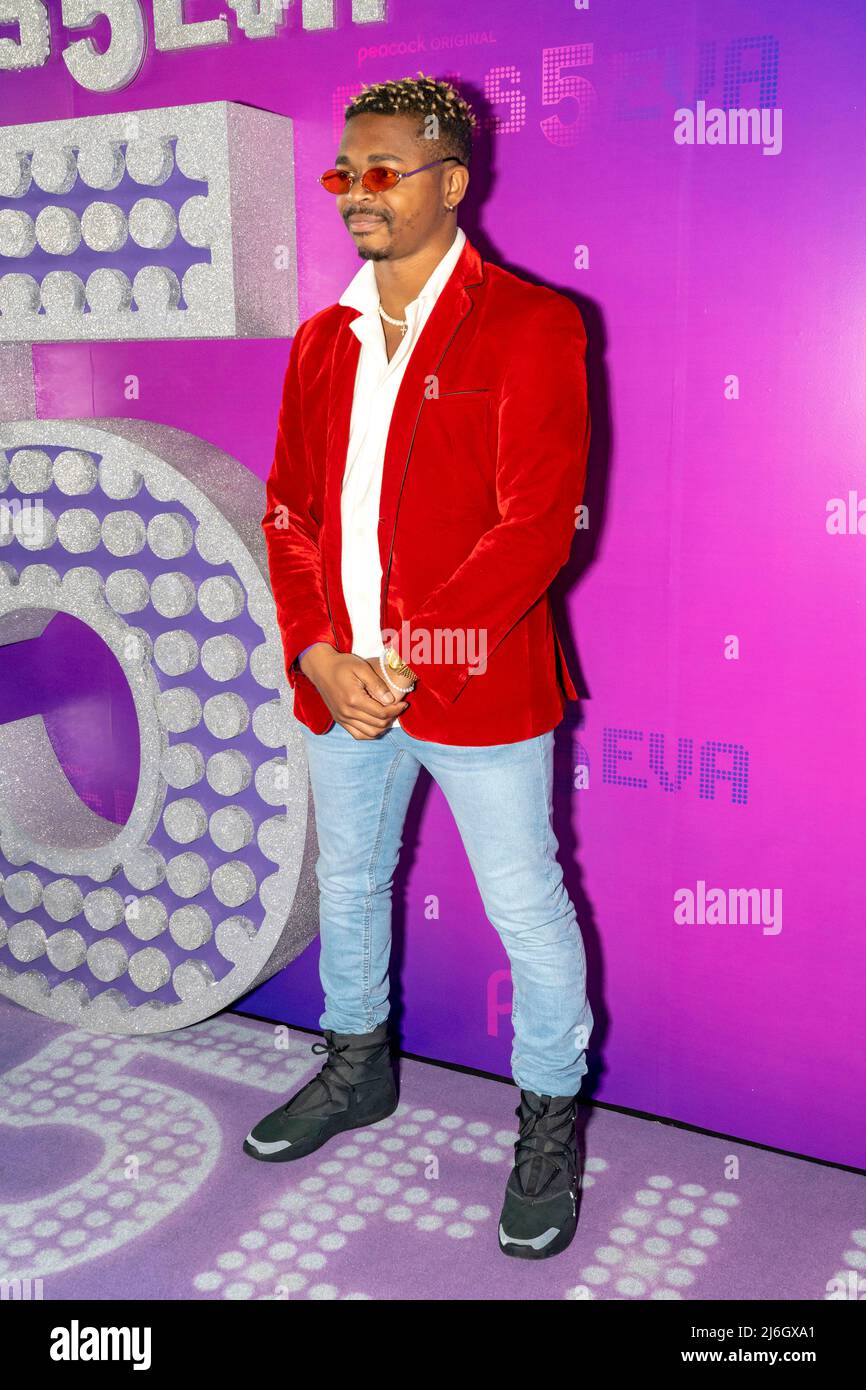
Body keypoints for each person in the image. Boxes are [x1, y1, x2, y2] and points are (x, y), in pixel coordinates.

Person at [245, 73, 593, 1262]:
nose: (356, 192)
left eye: (384, 169)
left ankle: (546, 1123)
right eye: (344, 170)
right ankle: (356, 1071)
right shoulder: (317, 341)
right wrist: (317, 654)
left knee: (524, 908)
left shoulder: (533, 324)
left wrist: (408, 657)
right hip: (337, 681)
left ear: (452, 179)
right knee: (347, 881)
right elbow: (288, 514)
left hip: (474, 684)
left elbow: (534, 527)